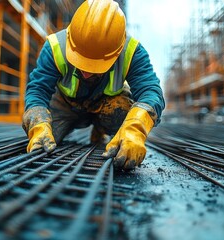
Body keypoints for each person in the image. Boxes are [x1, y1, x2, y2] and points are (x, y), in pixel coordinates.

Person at [22, 0, 165, 170]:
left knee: (124, 114)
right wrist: (38, 124)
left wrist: (136, 128)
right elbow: (37, 90)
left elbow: (151, 91)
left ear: (117, 51)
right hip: (66, 104)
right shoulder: (55, 47)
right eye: (82, 61)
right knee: (44, 139)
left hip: (106, 104)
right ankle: (57, 126)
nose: (87, 72)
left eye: (95, 65)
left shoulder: (132, 52)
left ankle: (101, 128)